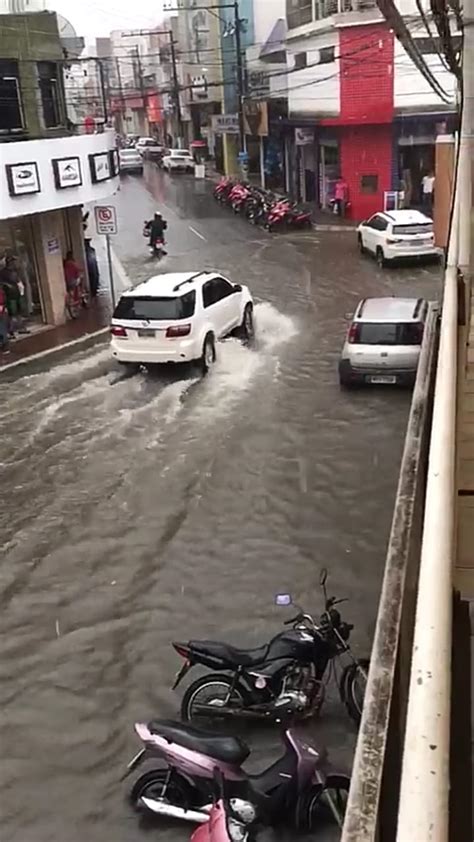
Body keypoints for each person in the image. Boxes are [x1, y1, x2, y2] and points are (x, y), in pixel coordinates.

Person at [0, 284, 10, 353]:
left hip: (1, 313)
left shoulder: (1, 293)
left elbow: (1, 303)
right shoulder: (1, 292)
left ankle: (5, 346)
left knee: (2, 329)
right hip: (2, 312)